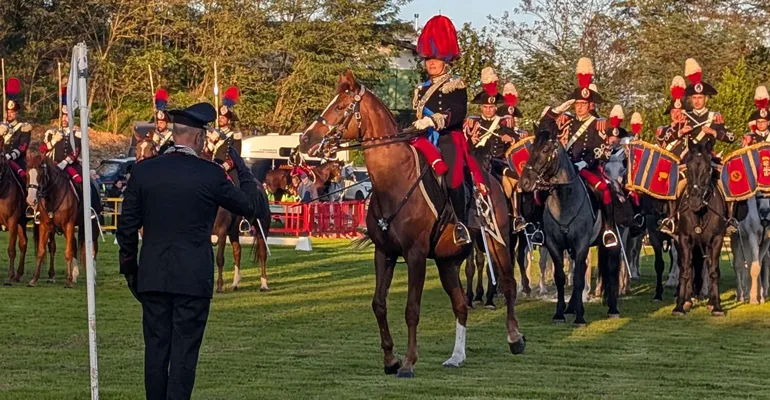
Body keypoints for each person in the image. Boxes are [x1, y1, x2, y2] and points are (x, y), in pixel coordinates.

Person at [117, 102, 268, 400]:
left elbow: (127, 228)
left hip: (153, 275)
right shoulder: (210, 175)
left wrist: (130, 270)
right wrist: (245, 172)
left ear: (175, 135)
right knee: (184, 355)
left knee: (156, 352)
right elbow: (251, 208)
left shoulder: (144, 173)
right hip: (192, 278)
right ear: (199, 139)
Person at [412, 14, 485, 244]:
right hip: (423, 139)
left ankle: (461, 223)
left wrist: (434, 121)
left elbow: (458, 112)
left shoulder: (456, 85)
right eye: (427, 59)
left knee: (453, 178)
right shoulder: (420, 89)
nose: (431, 63)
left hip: (447, 139)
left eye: (435, 58)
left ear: (445, 60)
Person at [542, 57, 621, 247]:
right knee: (541, 190)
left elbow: (602, 150)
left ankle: (608, 230)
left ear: (589, 105)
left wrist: (584, 163)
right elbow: (544, 126)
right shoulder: (566, 120)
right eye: (577, 103)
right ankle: (540, 228)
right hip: (564, 168)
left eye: (583, 104)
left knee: (604, 189)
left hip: (586, 168)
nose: (579, 107)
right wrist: (558, 110)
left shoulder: (598, 123)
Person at [658, 59, 737, 235]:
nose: (697, 101)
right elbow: (665, 138)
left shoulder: (714, 116)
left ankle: (730, 219)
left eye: (700, 98)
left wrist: (715, 133)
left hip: (710, 159)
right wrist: (680, 132)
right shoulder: (684, 116)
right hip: (689, 161)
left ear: (706, 98)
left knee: (728, 181)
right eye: (694, 98)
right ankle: (671, 219)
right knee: (674, 184)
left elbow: (732, 137)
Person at [464, 70, 527, 232]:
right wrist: (472, 141)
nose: (488, 110)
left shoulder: (504, 123)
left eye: (492, 107)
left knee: (514, 179)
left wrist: (510, 139)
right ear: (481, 108)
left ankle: (514, 216)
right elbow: (465, 148)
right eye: (485, 107)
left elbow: (516, 144)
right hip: (477, 163)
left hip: (498, 163)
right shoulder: (473, 123)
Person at [40, 84, 103, 217]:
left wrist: (65, 162)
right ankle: (38, 211)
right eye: (62, 116)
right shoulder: (51, 133)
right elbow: (43, 149)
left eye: (67, 116)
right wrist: (54, 141)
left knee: (83, 182)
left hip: (71, 165)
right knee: (39, 182)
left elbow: (77, 150)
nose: (64, 119)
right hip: (54, 165)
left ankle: (88, 209)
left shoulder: (77, 133)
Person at [205, 86, 243, 184]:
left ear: (229, 120)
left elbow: (236, 156)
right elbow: (206, 154)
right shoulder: (211, 134)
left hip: (227, 170)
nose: (220, 118)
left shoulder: (235, 135)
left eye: (223, 117)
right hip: (211, 168)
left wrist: (223, 167)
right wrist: (211, 141)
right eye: (219, 116)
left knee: (237, 187)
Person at [0, 77, 31, 179]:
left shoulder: (23, 127)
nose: (9, 114)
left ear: (16, 113)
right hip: (1, 162)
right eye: (7, 112)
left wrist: (10, 156)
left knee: (24, 183)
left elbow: (23, 146)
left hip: (16, 162)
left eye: (12, 112)